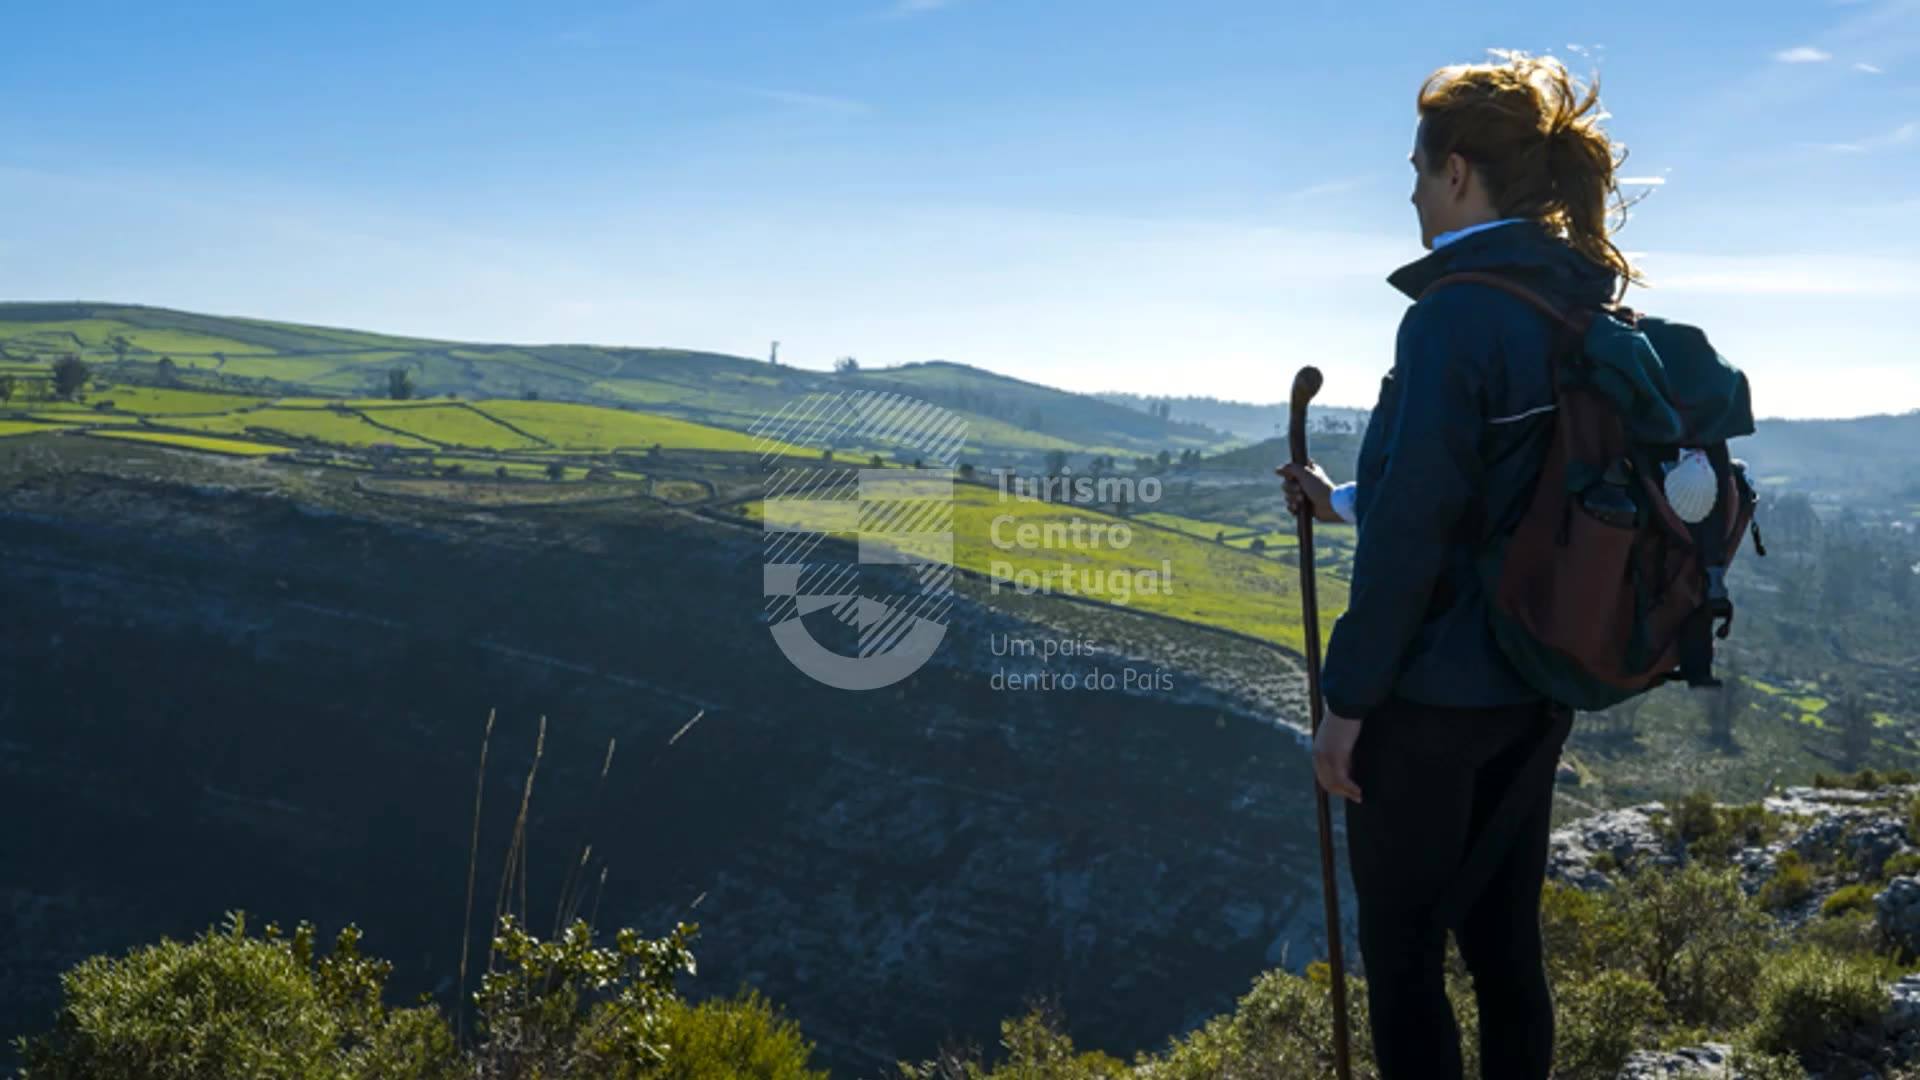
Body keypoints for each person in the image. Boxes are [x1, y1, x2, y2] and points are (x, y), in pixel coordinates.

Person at [1281, 52, 1638, 1080]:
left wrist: (1346, 704)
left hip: (1431, 700)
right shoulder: (1575, 307)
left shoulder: (1453, 314)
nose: (1407, 189)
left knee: (1403, 959)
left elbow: (1419, 536)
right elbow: (1495, 495)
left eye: (1415, 165)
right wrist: (1341, 498)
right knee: (1504, 950)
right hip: (1535, 683)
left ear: (1457, 174)